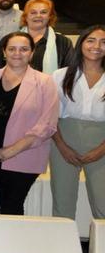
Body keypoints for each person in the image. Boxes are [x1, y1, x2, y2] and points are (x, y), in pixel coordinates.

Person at [0, 31, 58, 233]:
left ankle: (7, 249)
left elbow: (47, 124)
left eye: (24, 49)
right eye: (12, 49)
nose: (17, 53)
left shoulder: (44, 82)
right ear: (4, 52)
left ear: (31, 53)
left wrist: (10, 151)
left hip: (23, 155)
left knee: (11, 207)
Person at [49, 25, 105, 220]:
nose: (97, 46)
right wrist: (62, 146)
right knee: (62, 204)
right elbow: (50, 115)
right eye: (91, 40)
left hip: (102, 143)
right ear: (81, 43)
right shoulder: (60, 75)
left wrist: (101, 150)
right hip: (64, 138)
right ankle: (61, 250)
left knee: (103, 204)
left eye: (103, 41)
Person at [22, 0, 73, 74]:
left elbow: (70, 71)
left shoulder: (63, 42)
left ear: (50, 16)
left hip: (51, 85)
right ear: (25, 16)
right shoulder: (12, 40)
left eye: (43, 12)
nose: (38, 16)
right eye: (33, 12)